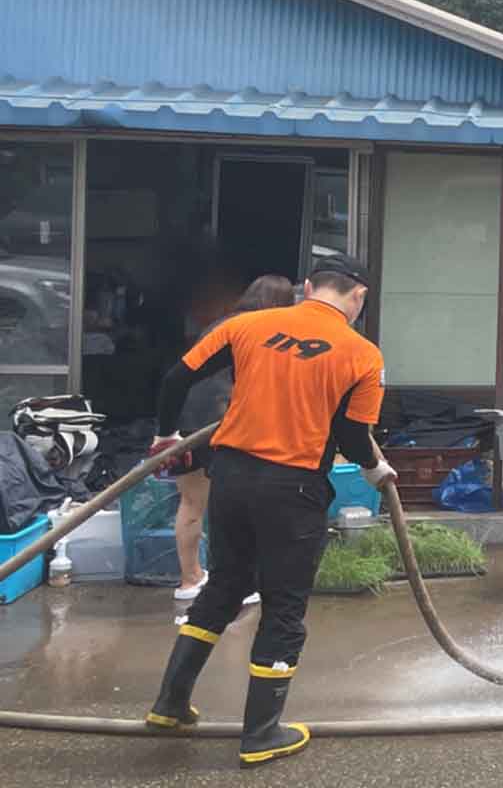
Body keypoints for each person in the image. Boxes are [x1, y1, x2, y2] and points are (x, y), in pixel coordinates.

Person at [144, 256, 392, 767]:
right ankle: (260, 733)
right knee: (283, 605)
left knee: (222, 589)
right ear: (359, 296)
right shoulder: (363, 355)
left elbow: (176, 379)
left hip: (231, 479)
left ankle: (169, 704)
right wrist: (373, 470)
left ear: (306, 287)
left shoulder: (245, 325)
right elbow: (350, 433)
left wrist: (166, 435)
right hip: (293, 489)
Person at [160, 274, 297, 603]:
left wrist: (165, 432)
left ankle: (189, 580)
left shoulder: (222, 325)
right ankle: (239, 583)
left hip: (185, 424)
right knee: (240, 504)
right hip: (223, 424)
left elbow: (182, 376)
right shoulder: (263, 331)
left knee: (192, 504)